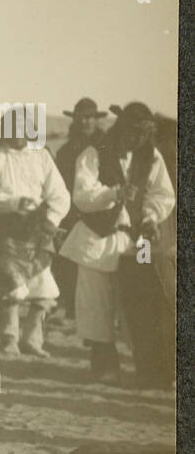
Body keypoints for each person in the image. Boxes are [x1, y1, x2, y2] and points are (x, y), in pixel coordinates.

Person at [60, 102, 174, 387]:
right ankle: (104, 362)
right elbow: (82, 193)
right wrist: (113, 193)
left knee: (142, 300)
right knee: (96, 302)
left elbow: (162, 194)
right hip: (97, 239)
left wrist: (150, 217)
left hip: (134, 240)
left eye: (144, 134)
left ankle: (150, 368)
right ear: (123, 128)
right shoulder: (96, 150)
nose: (138, 140)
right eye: (134, 133)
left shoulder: (151, 156)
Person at [0, 113, 70, 358]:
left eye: (23, 127)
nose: (18, 132)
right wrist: (14, 202)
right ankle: (9, 338)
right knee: (12, 284)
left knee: (44, 286)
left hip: (38, 230)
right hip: (7, 229)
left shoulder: (41, 156)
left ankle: (33, 339)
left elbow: (60, 194)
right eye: (13, 127)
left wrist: (51, 221)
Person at [52, 97, 108, 316]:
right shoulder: (65, 151)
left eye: (90, 117)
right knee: (67, 262)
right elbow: (60, 185)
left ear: (96, 120)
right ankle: (72, 310)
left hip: (101, 212)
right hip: (71, 213)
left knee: (97, 265)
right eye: (81, 118)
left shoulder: (106, 147)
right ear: (75, 120)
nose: (85, 122)